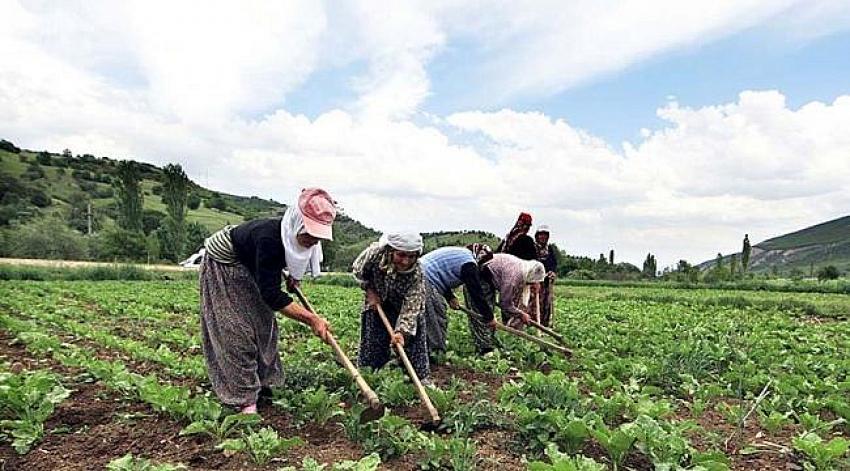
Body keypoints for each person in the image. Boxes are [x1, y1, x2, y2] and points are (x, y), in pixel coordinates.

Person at [199, 188, 335, 415]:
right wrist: (311, 319)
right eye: (309, 235)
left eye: (317, 237)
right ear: (297, 226)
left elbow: (291, 259)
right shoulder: (269, 238)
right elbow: (271, 295)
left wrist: (294, 277)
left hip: (250, 263)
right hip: (224, 264)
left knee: (264, 325)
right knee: (235, 329)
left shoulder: (305, 241)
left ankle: (266, 383)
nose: (313, 241)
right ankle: (242, 398)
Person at [352, 232, 433, 386]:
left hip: (403, 302)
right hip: (377, 295)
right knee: (373, 332)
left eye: (411, 256)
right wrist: (370, 291)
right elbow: (358, 271)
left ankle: (420, 377)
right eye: (401, 255)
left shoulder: (417, 274)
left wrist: (401, 332)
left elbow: (412, 307)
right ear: (390, 251)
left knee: (414, 337)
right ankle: (369, 375)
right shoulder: (374, 255)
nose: (405, 261)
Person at [421, 244, 498, 356]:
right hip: (425, 279)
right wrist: (489, 317)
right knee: (437, 318)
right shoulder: (469, 264)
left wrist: (450, 297)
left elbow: (441, 270)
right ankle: (435, 353)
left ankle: (425, 351)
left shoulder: (462, 255)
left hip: (423, 273)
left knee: (424, 317)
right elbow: (476, 294)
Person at [481, 253, 545, 327]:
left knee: (488, 312)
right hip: (482, 275)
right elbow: (504, 303)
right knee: (484, 315)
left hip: (488, 275)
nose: (531, 285)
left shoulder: (523, 267)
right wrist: (521, 314)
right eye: (532, 283)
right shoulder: (514, 277)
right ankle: (483, 336)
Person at [534, 225, 558, 327]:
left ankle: (545, 325)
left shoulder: (550, 249)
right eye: (541, 235)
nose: (543, 237)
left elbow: (553, 263)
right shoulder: (533, 248)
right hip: (535, 280)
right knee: (536, 303)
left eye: (545, 235)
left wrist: (552, 272)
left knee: (546, 303)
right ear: (537, 236)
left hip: (547, 281)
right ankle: (535, 324)